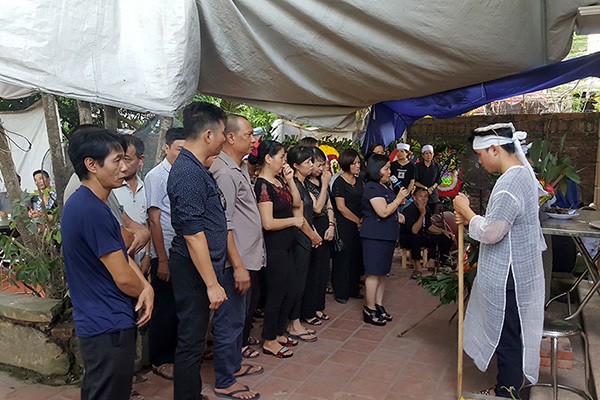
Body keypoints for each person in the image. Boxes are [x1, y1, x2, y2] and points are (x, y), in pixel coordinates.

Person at [453, 123, 545, 398]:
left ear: (495, 149)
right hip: (517, 270)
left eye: (480, 155)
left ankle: (507, 393)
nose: (479, 162)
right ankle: (507, 387)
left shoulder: (509, 183)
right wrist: (470, 216)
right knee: (512, 335)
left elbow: (493, 232)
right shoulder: (522, 175)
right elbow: (501, 221)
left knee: (508, 338)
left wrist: (467, 212)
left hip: (510, 273)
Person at [61, 126, 154, 400]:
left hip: (98, 318)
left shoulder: (90, 203)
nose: (124, 168)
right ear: (91, 164)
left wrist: (145, 287)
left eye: (126, 160)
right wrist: (146, 290)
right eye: (117, 160)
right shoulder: (91, 209)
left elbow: (121, 255)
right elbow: (123, 276)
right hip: (108, 321)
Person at [167, 102, 231, 400]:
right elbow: (193, 235)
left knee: (194, 339)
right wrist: (212, 284)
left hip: (199, 268)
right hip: (193, 270)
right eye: (222, 133)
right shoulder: (188, 173)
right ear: (208, 134)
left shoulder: (196, 168)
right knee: (190, 342)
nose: (224, 139)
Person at [209, 114, 265, 398]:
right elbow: (225, 223)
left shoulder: (239, 167)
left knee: (238, 319)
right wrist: (238, 266)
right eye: (248, 135)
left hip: (244, 258)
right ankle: (224, 380)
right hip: (235, 262)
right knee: (229, 321)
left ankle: (233, 366)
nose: (253, 140)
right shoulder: (224, 172)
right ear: (230, 137)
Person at [249, 140, 304, 359]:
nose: (285, 161)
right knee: (276, 294)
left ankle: (278, 332)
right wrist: (293, 222)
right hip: (274, 247)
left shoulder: (280, 180)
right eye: (281, 156)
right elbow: (268, 223)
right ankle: (269, 339)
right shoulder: (262, 185)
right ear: (268, 158)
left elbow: (297, 203)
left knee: (291, 291)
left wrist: (290, 180)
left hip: (287, 245)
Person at [144, 127, 186, 381]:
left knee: (180, 306)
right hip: (166, 250)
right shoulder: (156, 176)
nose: (182, 154)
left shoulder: (185, 172)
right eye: (179, 149)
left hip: (182, 250)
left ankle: (177, 353)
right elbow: (154, 220)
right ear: (166, 148)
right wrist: (162, 260)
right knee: (165, 308)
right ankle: (161, 359)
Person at [360, 154, 408, 326]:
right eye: (386, 168)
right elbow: (383, 211)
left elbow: (390, 209)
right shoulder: (372, 188)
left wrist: (398, 213)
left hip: (386, 235)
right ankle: (369, 308)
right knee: (373, 273)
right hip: (374, 236)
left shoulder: (385, 187)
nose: (390, 172)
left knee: (382, 273)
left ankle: (378, 305)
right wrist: (398, 200)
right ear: (376, 170)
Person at [286, 145, 322, 342]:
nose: (311, 165)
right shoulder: (296, 186)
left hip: (306, 236)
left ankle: (295, 320)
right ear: (295, 165)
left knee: (302, 280)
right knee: (297, 281)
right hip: (299, 237)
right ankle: (293, 323)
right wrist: (313, 236)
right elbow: (298, 216)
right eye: (307, 162)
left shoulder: (304, 184)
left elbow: (310, 213)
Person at [301, 147, 334, 324]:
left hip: (325, 226)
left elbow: (329, 206)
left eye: (323, 165)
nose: (322, 169)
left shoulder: (321, 181)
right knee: (313, 272)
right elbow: (317, 207)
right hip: (312, 227)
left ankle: (318, 306)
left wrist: (331, 224)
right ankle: (308, 310)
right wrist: (326, 184)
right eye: (319, 165)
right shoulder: (305, 183)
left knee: (323, 271)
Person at [331, 149, 364, 304]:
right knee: (343, 257)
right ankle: (341, 292)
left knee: (356, 257)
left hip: (358, 222)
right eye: (354, 163)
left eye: (358, 162)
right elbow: (341, 208)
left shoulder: (359, 181)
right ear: (346, 164)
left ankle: (353, 289)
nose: (357, 165)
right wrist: (357, 221)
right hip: (345, 223)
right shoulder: (339, 182)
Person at [113, 135, 150, 271]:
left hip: (141, 260)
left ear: (141, 160)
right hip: (121, 262)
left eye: (127, 159)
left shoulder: (146, 187)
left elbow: (146, 223)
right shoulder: (111, 189)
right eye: (119, 159)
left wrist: (147, 255)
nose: (122, 166)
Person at [399, 187, 454, 279]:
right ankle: (417, 268)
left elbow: (429, 227)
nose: (423, 199)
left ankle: (442, 263)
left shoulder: (427, 209)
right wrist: (422, 214)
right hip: (408, 238)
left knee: (446, 238)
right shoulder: (408, 210)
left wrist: (443, 232)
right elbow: (414, 230)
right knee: (415, 238)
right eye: (420, 196)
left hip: (423, 236)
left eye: (426, 196)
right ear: (414, 197)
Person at [414, 144, 442, 215]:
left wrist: (432, 188)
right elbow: (415, 181)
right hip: (421, 194)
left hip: (433, 194)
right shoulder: (417, 166)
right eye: (426, 153)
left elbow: (439, 180)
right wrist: (425, 188)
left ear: (433, 155)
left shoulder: (437, 166)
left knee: (434, 214)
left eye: (430, 153)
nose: (428, 155)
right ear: (423, 155)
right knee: (420, 214)